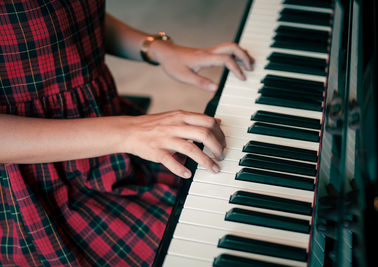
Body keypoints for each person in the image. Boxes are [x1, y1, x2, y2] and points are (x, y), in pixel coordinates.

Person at [0, 1, 254, 266]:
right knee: (211, 241)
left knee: (231, 188)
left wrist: (156, 48)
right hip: (31, 189)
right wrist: (129, 132)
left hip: (108, 136)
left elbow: (57, 16)